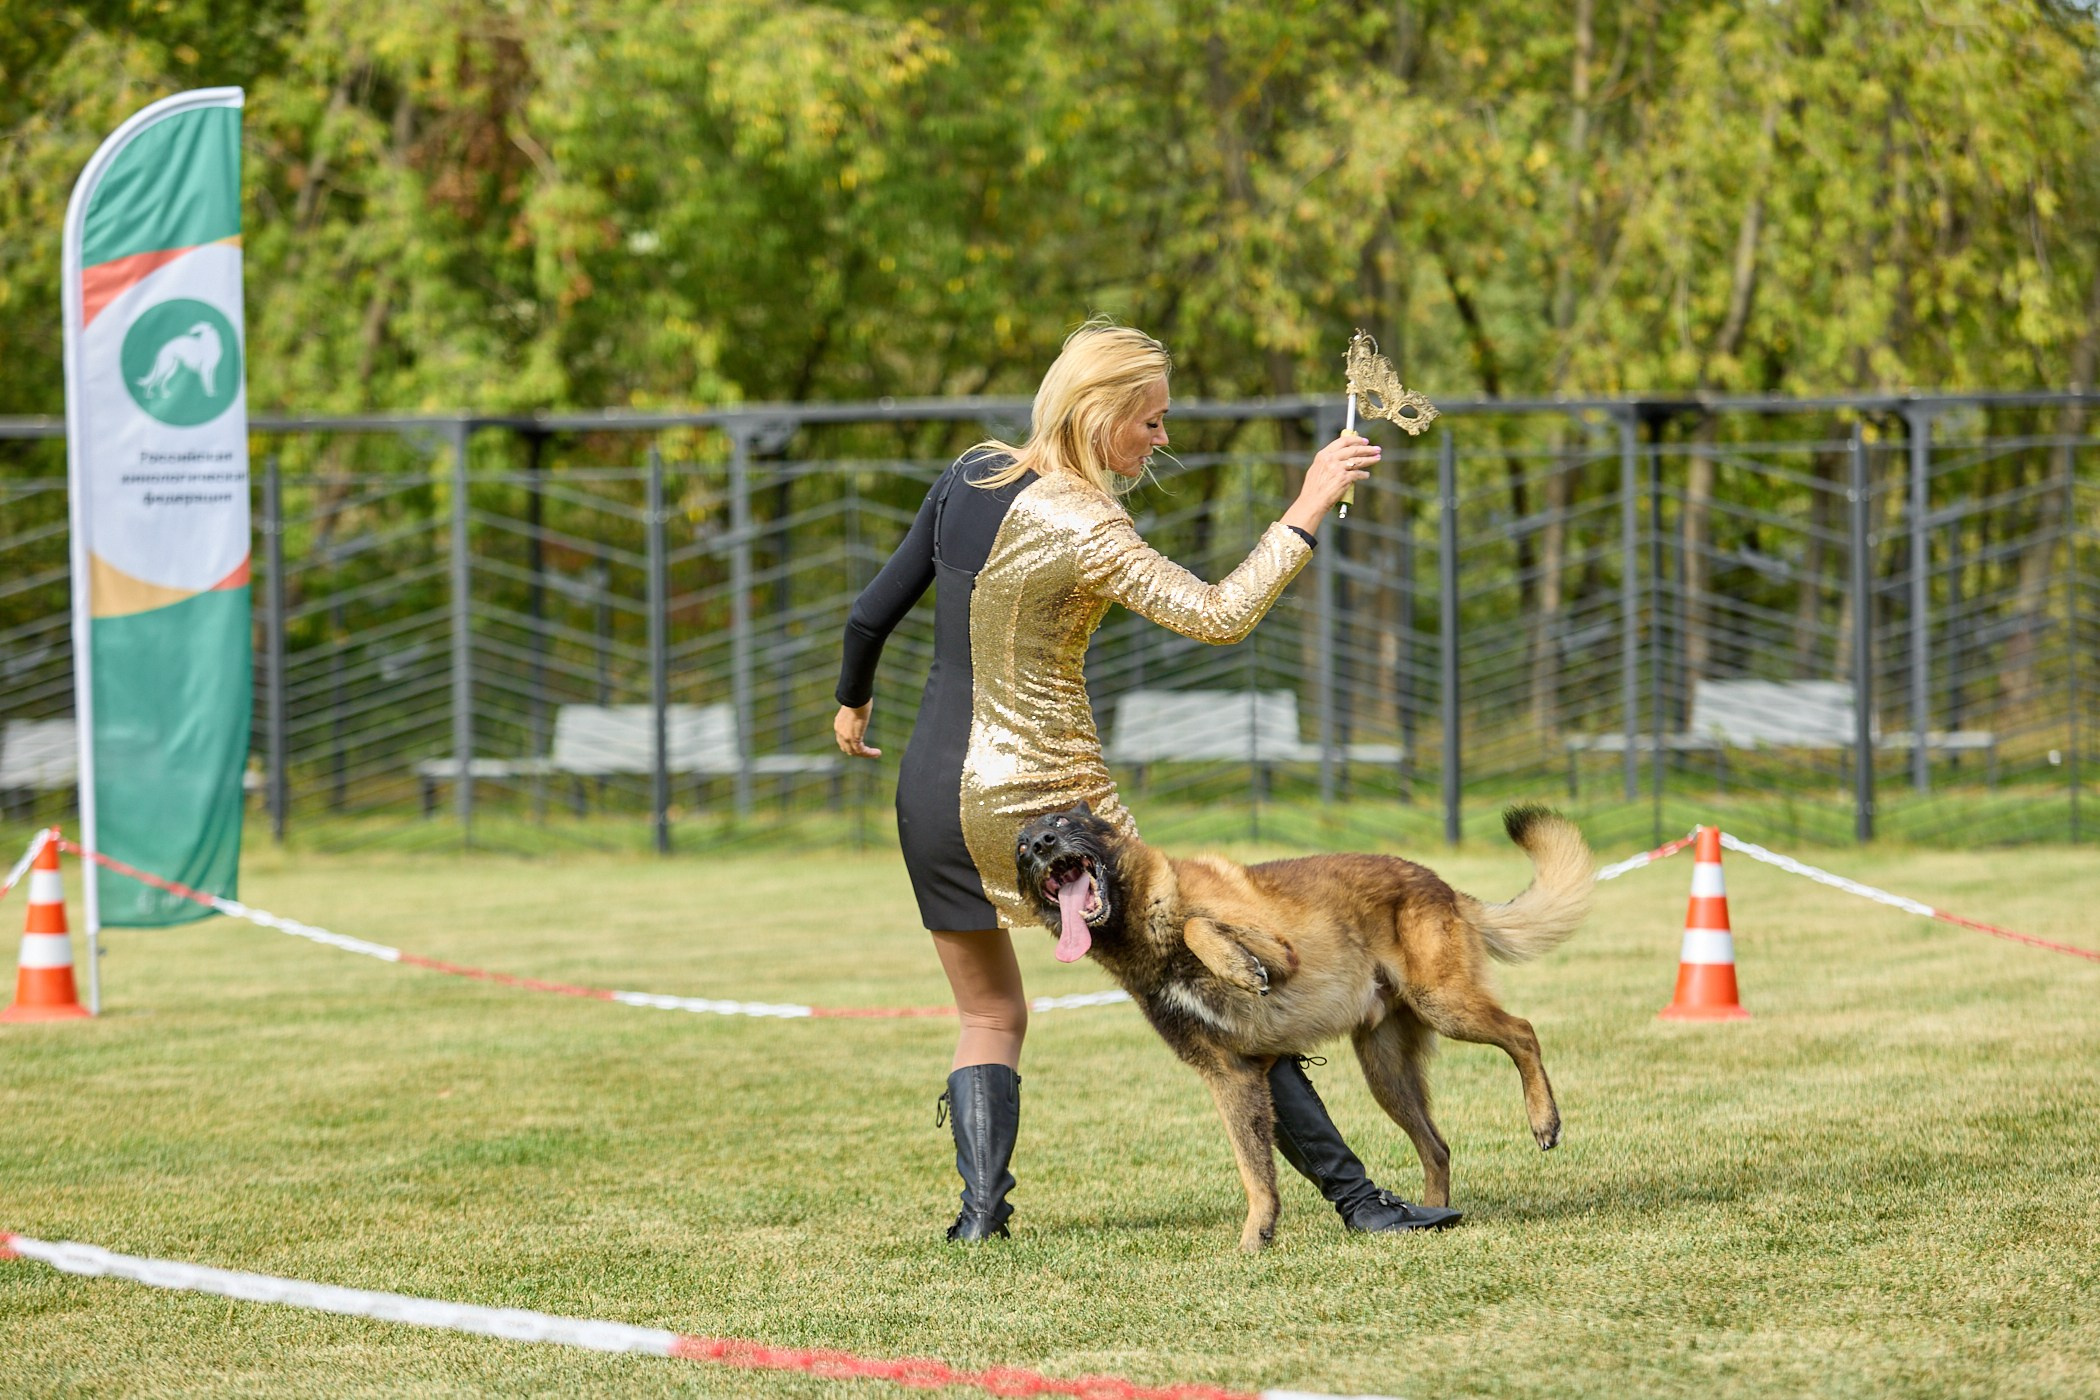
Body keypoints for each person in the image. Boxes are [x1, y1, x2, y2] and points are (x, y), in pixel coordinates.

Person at [833, 321, 1461, 1241]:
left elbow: (870, 611)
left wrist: (852, 702)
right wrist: (1306, 506)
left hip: (930, 797)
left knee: (989, 1012)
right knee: (1230, 991)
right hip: (1053, 811)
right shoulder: (1089, 523)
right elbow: (1219, 615)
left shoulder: (971, 472)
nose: (1161, 440)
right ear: (1100, 414)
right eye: (1151, 421)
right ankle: (1360, 1203)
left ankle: (979, 1220)